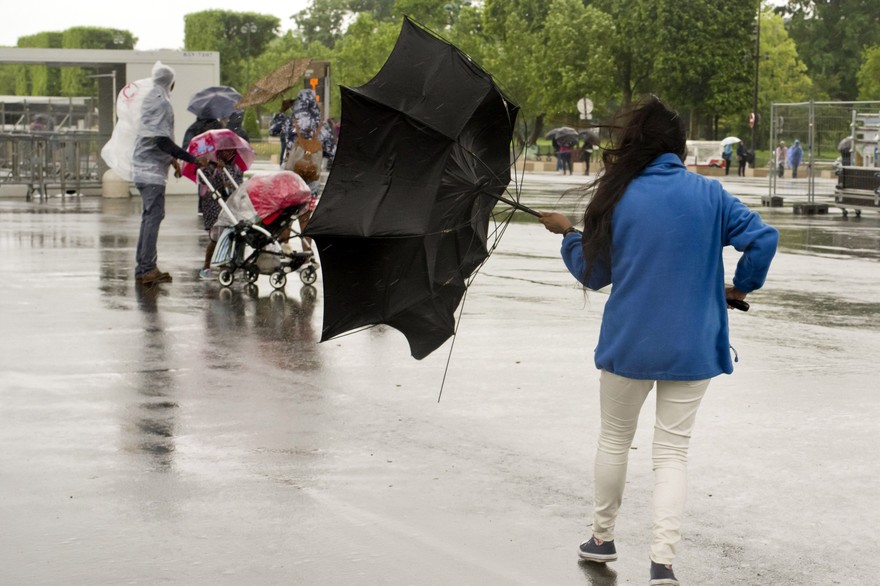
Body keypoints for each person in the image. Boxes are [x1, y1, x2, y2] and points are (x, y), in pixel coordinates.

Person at [537, 95, 778, 586]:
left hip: (629, 342)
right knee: (672, 453)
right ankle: (662, 563)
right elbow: (763, 238)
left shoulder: (616, 197)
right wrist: (741, 286)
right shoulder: (710, 194)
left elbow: (593, 274)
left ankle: (601, 539)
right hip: (693, 345)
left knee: (614, 440)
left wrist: (567, 235)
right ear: (679, 147)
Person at [131, 61, 208, 286]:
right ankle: (147, 269)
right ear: (170, 82)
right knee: (153, 218)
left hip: (143, 167)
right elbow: (162, 141)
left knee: (149, 218)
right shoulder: (162, 103)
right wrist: (192, 159)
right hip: (151, 172)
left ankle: (144, 267)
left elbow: (153, 138)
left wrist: (172, 160)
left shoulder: (149, 99)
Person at [280, 89, 337, 251]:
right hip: (311, 177)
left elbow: (273, 130)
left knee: (286, 214)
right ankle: (306, 253)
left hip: (290, 176)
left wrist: (282, 111)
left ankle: (285, 247)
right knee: (306, 216)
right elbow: (332, 151)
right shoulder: (322, 124)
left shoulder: (290, 120)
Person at [198, 148, 245, 280]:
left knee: (232, 235)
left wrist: (230, 186)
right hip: (215, 204)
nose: (228, 153)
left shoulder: (236, 169)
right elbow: (203, 180)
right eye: (225, 150)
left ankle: (226, 263)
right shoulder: (211, 165)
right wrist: (216, 170)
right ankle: (206, 266)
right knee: (216, 237)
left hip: (231, 205)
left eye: (231, 151)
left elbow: (238, 185)